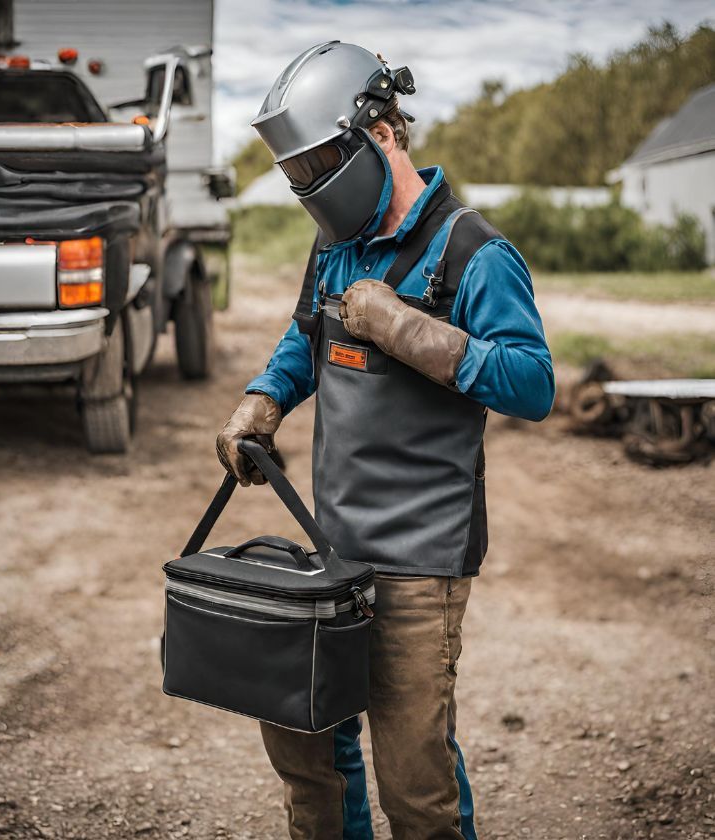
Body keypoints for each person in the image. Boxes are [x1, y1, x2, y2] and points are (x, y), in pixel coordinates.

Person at [216, 41, 554, 840]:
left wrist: (408, 330)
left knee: (415, 784)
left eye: (319, 165)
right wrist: (263, 398)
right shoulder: (336, 247)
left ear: (381, 133)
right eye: (297, 175)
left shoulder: (477, 253)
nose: (310, 188)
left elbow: (532, 384)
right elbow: (307, 338)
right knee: (309, 761)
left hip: (419, 564)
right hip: (329, 553)